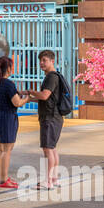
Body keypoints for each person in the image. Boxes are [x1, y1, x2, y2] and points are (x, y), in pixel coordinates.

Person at [0, 55, 30, 186]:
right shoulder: (8, 84)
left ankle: (4, 177)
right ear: (8, 68)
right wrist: (27, 99)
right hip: (6, 117)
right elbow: (17, 103)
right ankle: (3, 180)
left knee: (2, 148)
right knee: (7, 149)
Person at [32, 50, 66, 189]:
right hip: (55, 117)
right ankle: (54, 178)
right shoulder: (56, 76)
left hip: (50, 117)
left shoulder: (51, 77)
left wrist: (30, 92)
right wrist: (32, 97)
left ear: (52, 61)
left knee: (47, 149)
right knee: (52, 149)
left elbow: (45, 95)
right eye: (40, 60)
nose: (41, 63)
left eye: (44, 60)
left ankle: (48, 181)